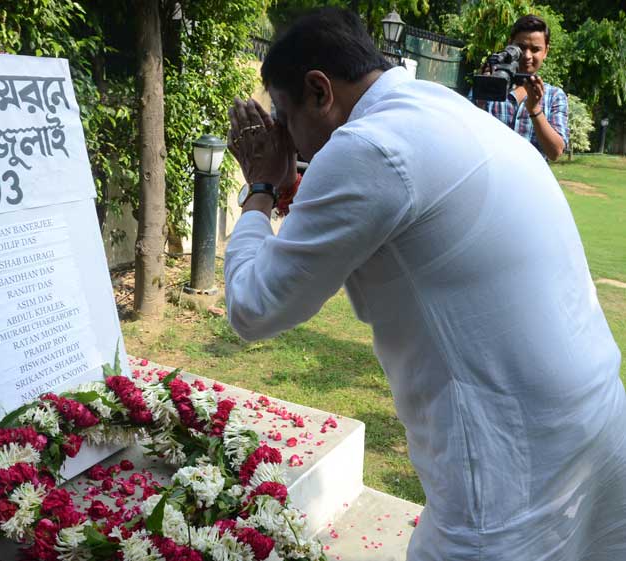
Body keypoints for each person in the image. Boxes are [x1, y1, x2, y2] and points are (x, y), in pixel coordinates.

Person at [224, 7, 625, 561]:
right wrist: (296, 176)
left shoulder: (366, 147)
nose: (289, 141)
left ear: (320, 91)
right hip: (593, 427)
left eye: (286, 118)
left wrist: (261, 188)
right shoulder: (438, 106)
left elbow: (253, 307)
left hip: (509, 478)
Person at [471, 14, 569, 161]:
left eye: (535, 49)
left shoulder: (554, 96)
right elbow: (466, 133)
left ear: (546, 52)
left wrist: (535, 109)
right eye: (521, 47)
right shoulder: (490, 83)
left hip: (529, 183)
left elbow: (555, 152)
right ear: (510, 44)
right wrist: (482, 95)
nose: (527, 55)